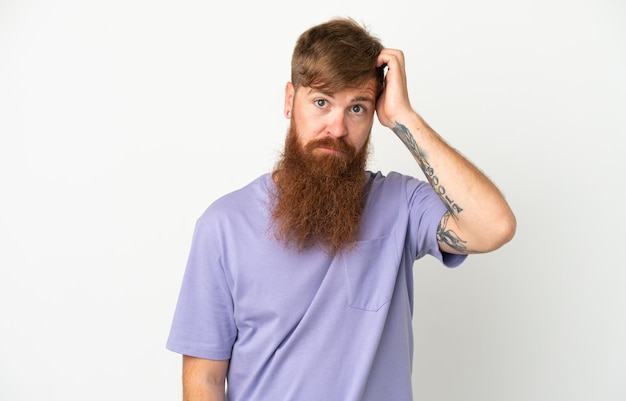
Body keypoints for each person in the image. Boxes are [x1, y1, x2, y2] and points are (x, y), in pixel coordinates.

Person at [166, 17, 516, 401]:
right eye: (321, 102)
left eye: (357, 109)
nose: (336, 127)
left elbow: (493, 226)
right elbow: (204, 381)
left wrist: (404, 118)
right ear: (289, 100)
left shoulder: (400, 203)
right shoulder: (224, 226)